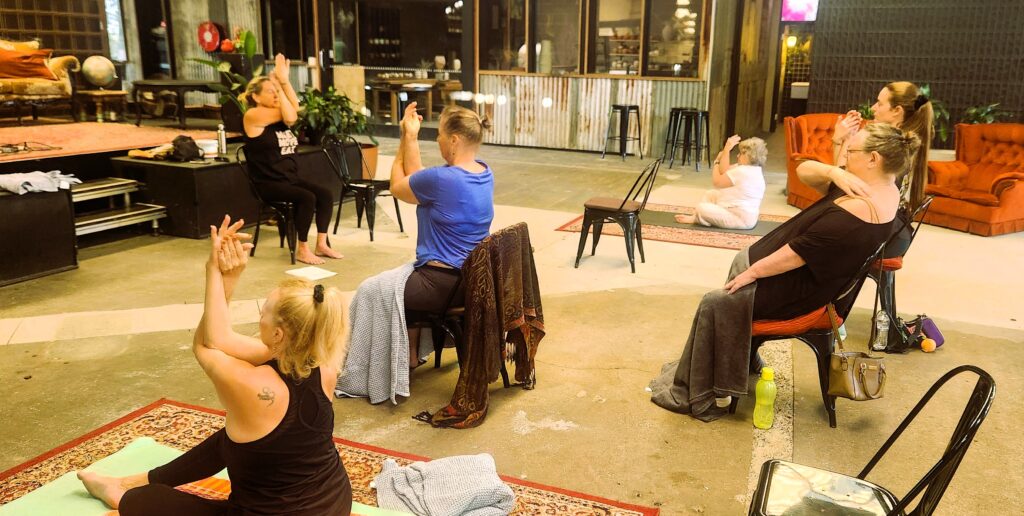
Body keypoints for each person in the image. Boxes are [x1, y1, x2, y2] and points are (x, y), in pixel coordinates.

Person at [77, 215, 352, 515]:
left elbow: (206, 344)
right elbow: (223, 338)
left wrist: (217, 274)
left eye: (264, 311)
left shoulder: (251, 387)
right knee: (231, 438)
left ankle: (122, 491)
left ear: (278, 334)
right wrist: (227, 279)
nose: (259, 317)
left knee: (150, 502)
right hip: (334, 502)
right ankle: (138, 479)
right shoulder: (323, 366)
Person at [649, 124, 921, 421]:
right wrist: (834, 172)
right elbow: (804, 171)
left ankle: (701, 389)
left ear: (873, 159)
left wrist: (752, 272)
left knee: (716, 302)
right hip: (803, 282)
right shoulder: (881, 188)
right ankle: (736, 362)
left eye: (851, 151)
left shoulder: (858, 212)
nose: (844, 157)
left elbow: (796, 255)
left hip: (799, 295)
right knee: (728, 291)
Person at [390, 102, 494, 367]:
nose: (437, 139)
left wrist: (405, 137)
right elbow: (418, 180)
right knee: (403, 276)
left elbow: (398, 187)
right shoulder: (483, 172)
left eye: (439, 134)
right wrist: (411, 138)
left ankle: (376, 372)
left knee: (372, 291)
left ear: (454, 140)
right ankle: (411, 355)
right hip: (473, 280)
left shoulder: (440, 179)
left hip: (442, 286)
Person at [242, 53, 342, 265]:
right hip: (268, 183)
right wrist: (280, 85)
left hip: (288, 178)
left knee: (324, 194)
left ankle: (321, 244)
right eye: (270, 92)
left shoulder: (277, 113)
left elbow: (293, 108)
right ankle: (302, 249)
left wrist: (283, 81)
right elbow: (292, 114)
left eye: (275, 92)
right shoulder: (253, 115)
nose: (276, 95)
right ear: (256, 97)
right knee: (307, 198)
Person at [831, 81, 933, 212]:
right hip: (893, 222)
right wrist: (845, 139)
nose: (873, 108)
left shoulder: (887, 145)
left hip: (871, 224)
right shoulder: (908, 141)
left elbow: (840, 186)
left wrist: (841, 140)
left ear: (897, 110)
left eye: (879, 103)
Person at [674, 135, 767, 230]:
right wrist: (726, 150)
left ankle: (699, 218)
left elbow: (717, 182)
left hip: (739, 218)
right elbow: (724, 170)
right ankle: (696, 217)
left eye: (741, 153)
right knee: (711, 194)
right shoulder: (752, 169)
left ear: (748, 156)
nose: (738, 155)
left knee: (701, 208)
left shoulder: (742, 171)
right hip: (743, 216)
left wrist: (717, 161)